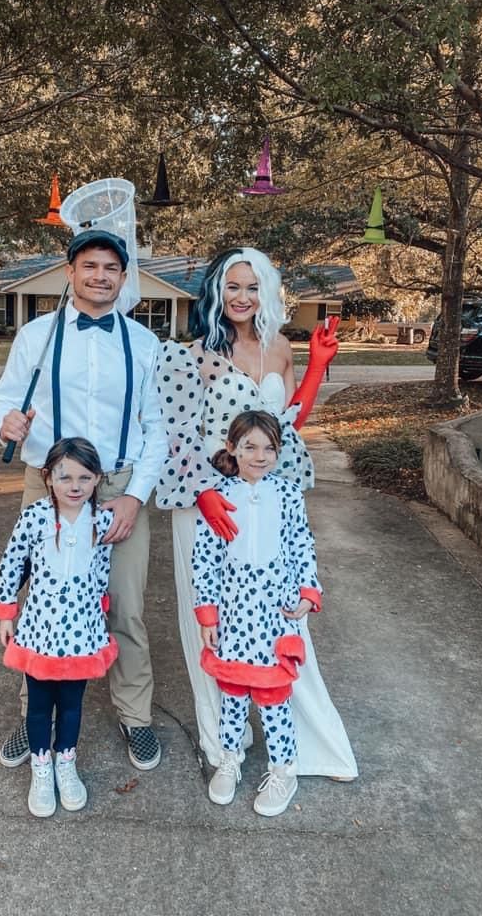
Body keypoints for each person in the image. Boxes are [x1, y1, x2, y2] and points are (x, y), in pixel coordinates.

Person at [156, 247, 357, 780]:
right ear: (216, 292)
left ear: (265, 292)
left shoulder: (279, 348)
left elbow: (288, 425)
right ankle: (225, 743)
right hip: (206, 502)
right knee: (210, 619)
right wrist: (202, 495)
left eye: (251, 287)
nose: (241, 298)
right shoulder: (193, 354)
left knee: (279, 618)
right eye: (231, 286)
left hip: (263, 499)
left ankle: (296, 740)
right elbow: (177, 436)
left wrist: (316, 366)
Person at [0, 229, 167, 772]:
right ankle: (33, 717)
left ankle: (135, 716)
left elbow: (155, 427)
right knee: (43, 603)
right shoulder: (37, 336)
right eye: (89, 265)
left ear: (123, 276)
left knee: (126, 609)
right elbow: (3, 398)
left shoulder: (144, 343)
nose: (100, 276)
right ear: (70, 272)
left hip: (117, 486)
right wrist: (6, 423)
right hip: (48, 484)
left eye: (111, 268)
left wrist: (135, 497)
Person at [193, 410, 329, 814]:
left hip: (275, 615)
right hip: (233, 616)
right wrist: (208, 614)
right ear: (232, 448)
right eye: (250, 446)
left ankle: (283, 769)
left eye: (269, 448)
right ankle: (229, 758)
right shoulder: (218, 497)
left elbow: (301, 544)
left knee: (273, 696)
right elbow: (205, 559)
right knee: (232, 693)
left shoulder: (288, 495)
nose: (260, 455)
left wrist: (308, 589)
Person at [0, 437, 115, 817]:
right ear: (48, 478)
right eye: (65, 477)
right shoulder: (34, 517)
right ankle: (41, 766)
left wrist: (101, 606)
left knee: (73, 704)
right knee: (40, 704)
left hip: (82, 630)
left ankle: (66, 761)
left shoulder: (103, 520)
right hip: (40, 630)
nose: (74, 485)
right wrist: (6, 612)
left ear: (97, 479)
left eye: (84, 477)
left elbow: (101, 570)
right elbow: (11, 563)